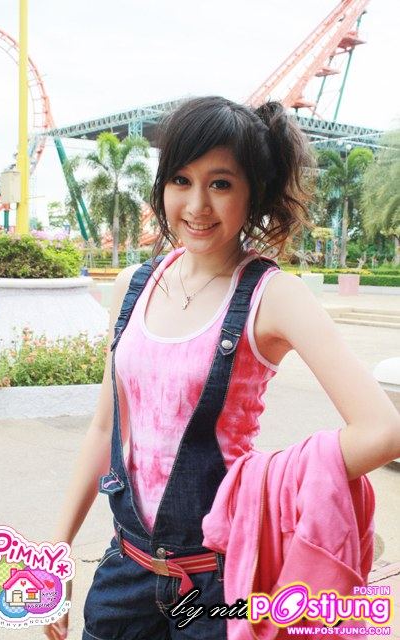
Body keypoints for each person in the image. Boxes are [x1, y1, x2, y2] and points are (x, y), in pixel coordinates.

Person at [44, 96, 400, 640]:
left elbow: (383, 430)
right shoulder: (133, 286)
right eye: (181, 180)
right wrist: (57, 550)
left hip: (219, 583)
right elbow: (104, 428)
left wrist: (268, 482)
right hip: (125, 573)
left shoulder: (272, 296)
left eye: (221, 183)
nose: (197, 205)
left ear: (253, 191)